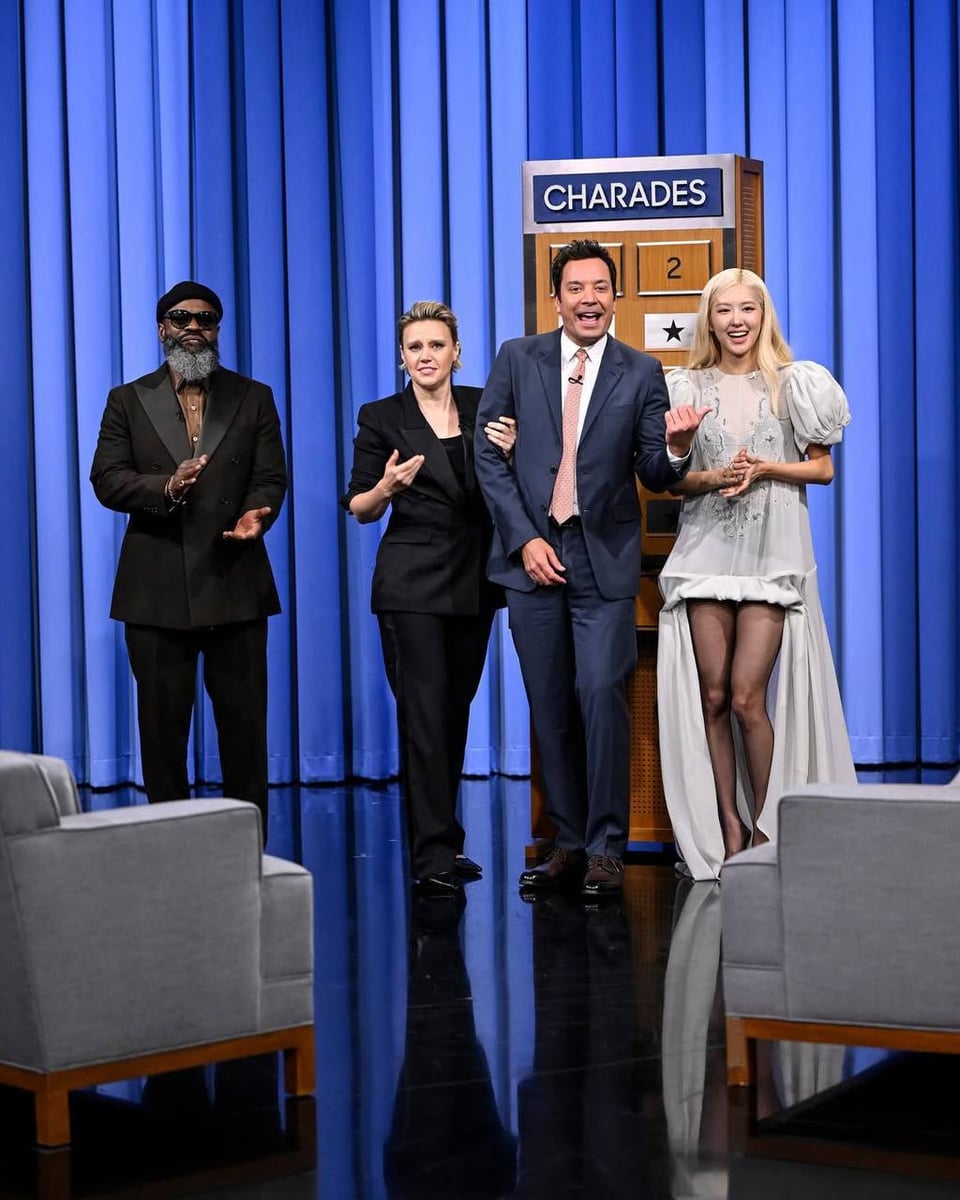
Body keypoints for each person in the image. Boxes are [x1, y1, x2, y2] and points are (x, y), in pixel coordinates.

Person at [475, 239, 703, 899]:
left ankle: (607, 847)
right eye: (575, 288)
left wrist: (678, 449)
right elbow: (488, 456)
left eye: (600, 287)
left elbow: (654, 469)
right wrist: (523, 540)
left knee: (600, 695)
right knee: (549, 705)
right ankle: (568, 844)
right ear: (557, 298)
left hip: (601, 558)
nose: (589, 299)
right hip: (532, 558)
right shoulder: (517, 358)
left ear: (615, 296)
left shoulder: (641, 371)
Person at [656, 267, 856, 881]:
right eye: (725, 310)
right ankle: (730, 828)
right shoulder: (683, 386)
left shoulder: (795, 383)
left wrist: (766, 469)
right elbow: (672, 481)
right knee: (714, 696)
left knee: (747, 696)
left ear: (763, 315)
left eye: (748, 308)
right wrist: (703, 468)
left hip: (771, 558)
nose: (737, 320)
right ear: (709, 320)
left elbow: (822, 470)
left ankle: (768, 831)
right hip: (704, 555)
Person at [90, 281, 287, 835]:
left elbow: (270, 476)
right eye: (181, 318)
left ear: (218, 329)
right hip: (154, 589)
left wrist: (257, 516)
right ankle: (169, 851)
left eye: (206, 318)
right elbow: (106, 479)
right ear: (163, 329)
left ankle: (247, 849)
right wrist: (167, 487)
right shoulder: (127, 399)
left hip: (234, 578)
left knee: (244, 733)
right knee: (162, 735)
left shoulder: (253, 396)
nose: (194, 327)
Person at [342, 300, 515, 897]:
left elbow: (510, 482)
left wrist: (513, 451)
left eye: (436, 345)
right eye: (414, 347)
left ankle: (447, 839)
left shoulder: (484, 406)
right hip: (411, 583)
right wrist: (385, 487)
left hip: (474, 579)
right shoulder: (381, 416)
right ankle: (431, 851)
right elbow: (360, 508)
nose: (425, 356)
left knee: (454, 712)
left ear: (455, 352)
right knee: (423, 715)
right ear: (402, 357)